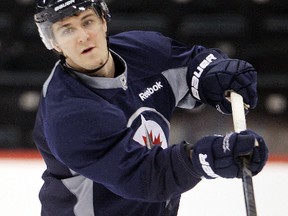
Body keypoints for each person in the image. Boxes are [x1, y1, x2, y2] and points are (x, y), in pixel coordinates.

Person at [33, 0, 268, 215]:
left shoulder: (143, 50)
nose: (83, 36)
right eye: (67, 30)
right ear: (54, 43)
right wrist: (206, 157)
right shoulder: (67, 113)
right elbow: (143, 176)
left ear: (103, 21)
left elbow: (192, 65)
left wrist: (215, 75)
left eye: (88, 21)